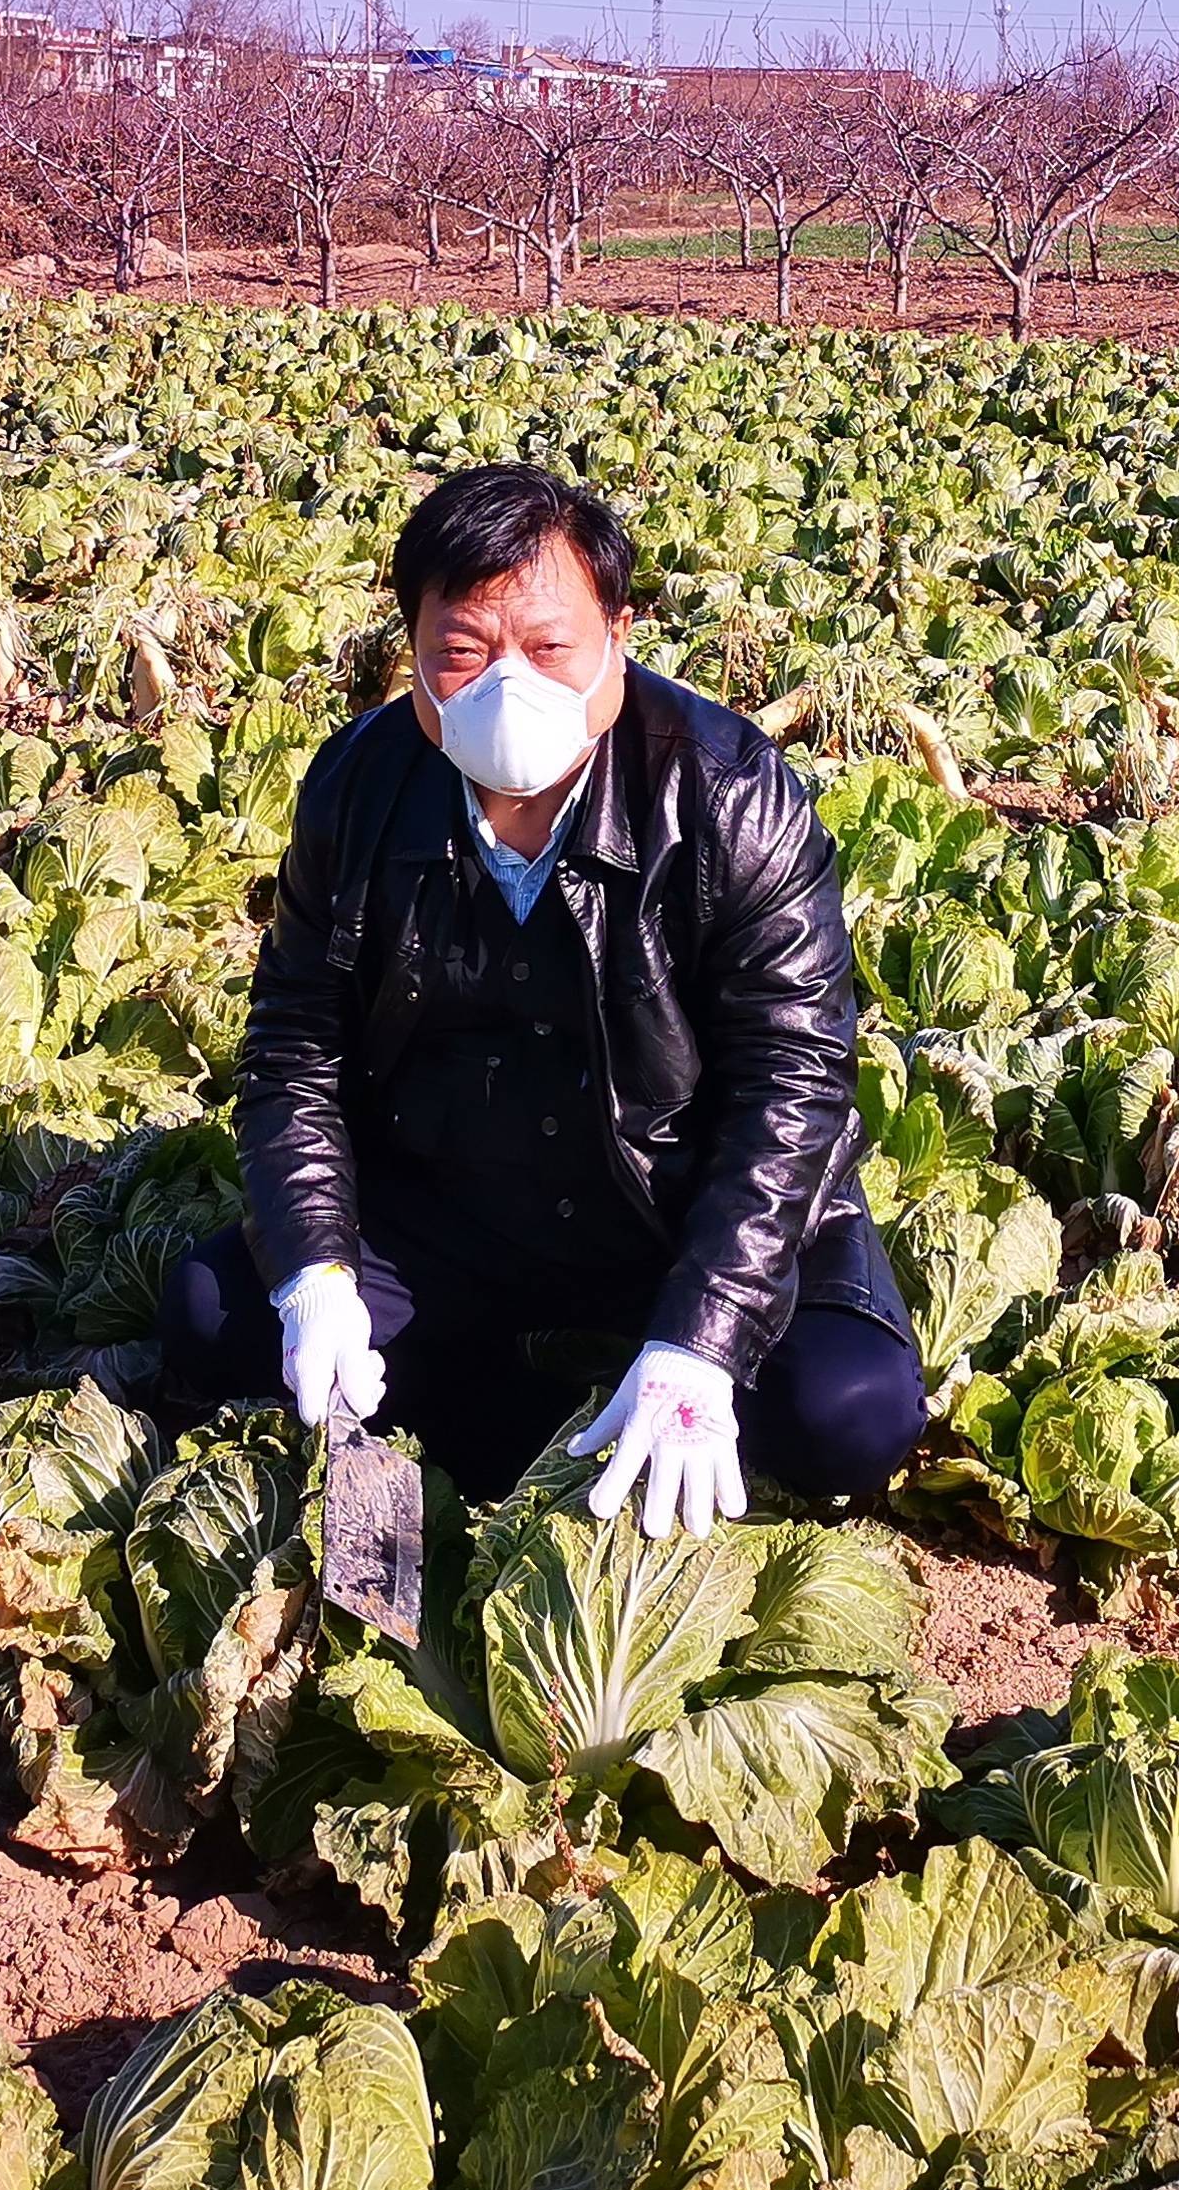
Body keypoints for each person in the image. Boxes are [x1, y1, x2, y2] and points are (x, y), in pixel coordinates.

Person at [157, 461, 927, 1535]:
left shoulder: (730, 797)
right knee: (218, 1319)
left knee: (847, 1412)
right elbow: (295, 1050)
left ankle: (604, 1385)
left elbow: (792, 1090)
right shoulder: (360, 787)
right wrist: (317, 1267)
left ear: (618, 634)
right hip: (450, 1207)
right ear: (416, 660)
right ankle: (510, 1414)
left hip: (675, 1207)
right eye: (461, 651)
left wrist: (704, 1336)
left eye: (547, 646)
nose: (503, 683)